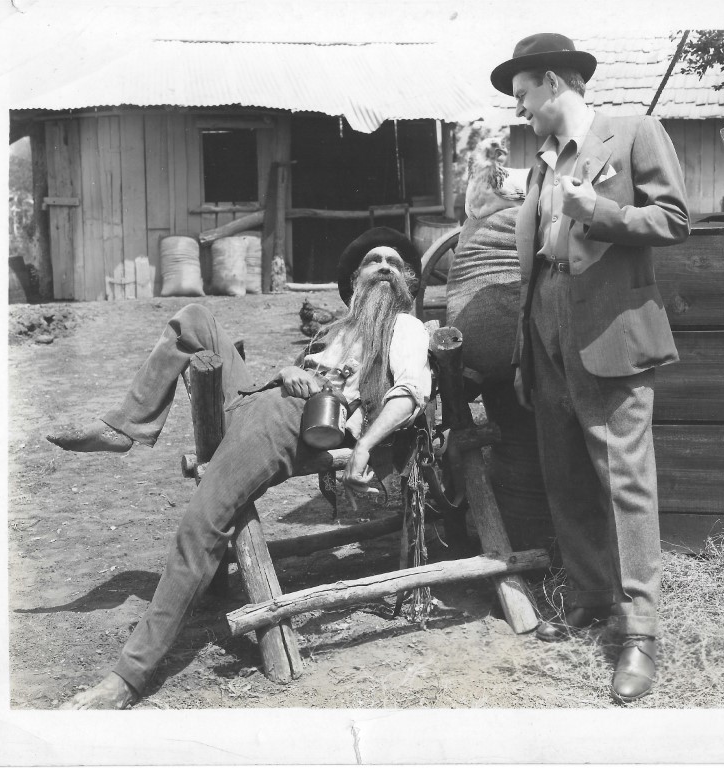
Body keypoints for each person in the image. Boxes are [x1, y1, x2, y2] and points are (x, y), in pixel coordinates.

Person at [47, 227, 431, 709]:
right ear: (356, 280)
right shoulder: (339, 330)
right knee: (194, 318)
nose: (384, 267)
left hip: (295, 421)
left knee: (202, 524)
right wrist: (289, 371)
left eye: (394, 264)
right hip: (264, 399)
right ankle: (126, 427)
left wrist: (364, 446)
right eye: (374, 261)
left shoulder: (404, 327)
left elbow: (411, 393)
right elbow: (298, 377)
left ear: (407, 284)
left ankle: (127, 678)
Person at [490, 33, 689, 701]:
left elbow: (674, 219)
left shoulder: (633, 133)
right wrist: (525, 351)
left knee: (625, 480)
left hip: (609, 328)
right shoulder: (542, 166)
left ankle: (640, 633)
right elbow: (535, 265)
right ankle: (590, 596)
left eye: (523, 95)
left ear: (552, 82)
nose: (520, 109)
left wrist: (596, 212)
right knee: (565, 471)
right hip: (546, 326)